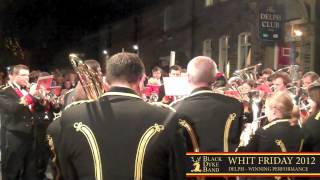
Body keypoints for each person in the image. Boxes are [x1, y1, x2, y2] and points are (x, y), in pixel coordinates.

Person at [56, 52, 186, 180]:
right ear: (141, 81)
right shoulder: (167, 117)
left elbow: (66, 172)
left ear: (105, 82)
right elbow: (178, 173)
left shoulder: (71, 115)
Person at [172, 56, 244, 152]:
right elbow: (236, 140)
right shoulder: (235, 105)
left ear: (188, 78)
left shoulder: (175, 108)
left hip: (190, 166)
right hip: (226, 165)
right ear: (214, 79)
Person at [0, 64, 41, 180]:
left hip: (31, 134)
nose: (26, 78)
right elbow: (12, 108)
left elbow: (33, 110)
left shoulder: (27, 90)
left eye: (27, 75)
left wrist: (41, 97)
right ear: (11, 76)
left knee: (30, 170)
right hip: (15, 136)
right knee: (12, 170)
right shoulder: (4, 91)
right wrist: (31, 95)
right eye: (23, 75)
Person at [239, 91, 303, 152]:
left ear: (274, 111)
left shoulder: (264, 132)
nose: (265, 111)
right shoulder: (299, 128)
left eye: (266, 107)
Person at [302, 81, 320, 152]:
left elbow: (304, 143)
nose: (308, 100)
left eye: (310, 98)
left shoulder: (312, 122)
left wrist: (304, 123)